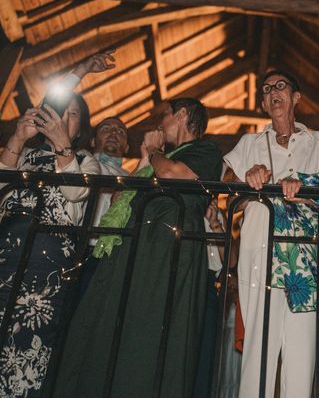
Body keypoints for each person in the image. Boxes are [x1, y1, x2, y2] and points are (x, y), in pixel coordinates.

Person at [53, 98, 223, 398]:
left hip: (170, 250)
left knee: (154, 332)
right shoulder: (156, 159)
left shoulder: (205, 151)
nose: (160, 123)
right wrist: (146, 158)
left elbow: (174, 175)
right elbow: (120, 200)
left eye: (165, 115)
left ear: (182, 115)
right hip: (137, 248)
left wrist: (156, 152)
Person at [224, 69, 319, 398]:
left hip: (306, 251)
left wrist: (304, 184)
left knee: (302, 346)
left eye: (281, 86)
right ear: (264, 103)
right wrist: (248, 178)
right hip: (259, 242)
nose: (273, 91)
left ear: (296, 97)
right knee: (259, 342)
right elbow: (226, 188)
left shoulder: (317, 140)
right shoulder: (250, 142)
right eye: (266, 89)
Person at [0, 90, 99, 397]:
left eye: (72, 114)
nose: (62, 119)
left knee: (30, 348)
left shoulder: (85, 160)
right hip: (5, 259)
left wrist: (62, 146)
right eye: (59, 112)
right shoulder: (24, 157)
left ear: (80, 128)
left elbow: (75, 195)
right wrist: (17, 138)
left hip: (47, 274)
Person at [76, 116, 130, 295]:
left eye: (121, 131)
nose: (114, 133)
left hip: (114, 254)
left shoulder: (134, 177)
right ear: (92, 141)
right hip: (81, 247)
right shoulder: (81, 162)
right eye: (106, 128)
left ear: (127, 146)